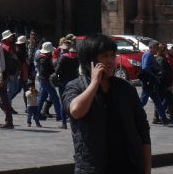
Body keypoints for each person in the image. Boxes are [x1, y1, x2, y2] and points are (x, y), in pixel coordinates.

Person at [63, 34, 152, 174]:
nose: (111, 61)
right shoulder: (76, 87)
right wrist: (93, 84)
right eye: (105, 56)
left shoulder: (126, 89)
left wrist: (146, 170)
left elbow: (143, 130)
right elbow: (76, 111)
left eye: (113, 55)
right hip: (92, 168)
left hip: (128, 166)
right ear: (91, 60)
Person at [54, 36, 80, 130]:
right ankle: (74, 122)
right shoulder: (77, 58)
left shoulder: (64, 58)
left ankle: (64, 123)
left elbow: (58, 70)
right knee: (73, 101)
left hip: (64, 81)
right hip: (74, 81)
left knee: (63, 102)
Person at [36, 41, 62, 123]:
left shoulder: (41, 57)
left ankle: (36, 114)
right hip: (46, 79)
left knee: (43, 97)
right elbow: (47, 71)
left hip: (43, 79)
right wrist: (53, 72)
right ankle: (59, 115)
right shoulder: (45, 59)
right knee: (55, 97)